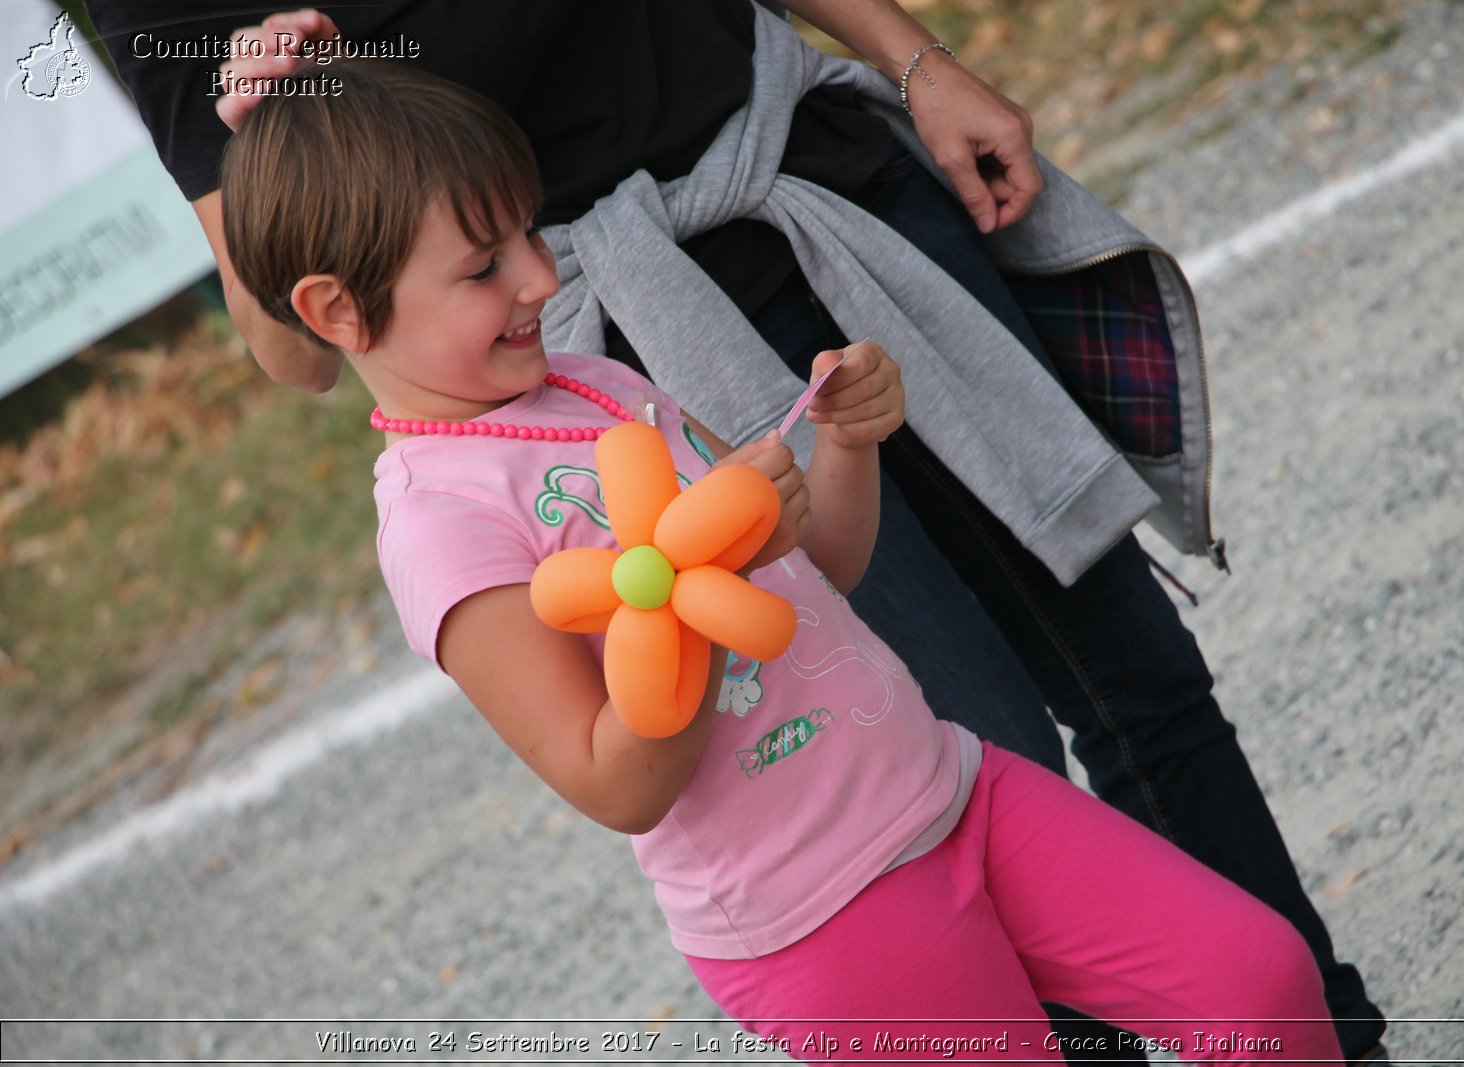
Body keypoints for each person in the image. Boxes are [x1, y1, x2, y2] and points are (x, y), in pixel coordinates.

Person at [82, 3, 1386, 1061]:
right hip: (829, 911)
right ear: (345, 305)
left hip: (944, 786)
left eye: (525, 241)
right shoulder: (443, 519)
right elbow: (616, 777)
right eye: (489, 267)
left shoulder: (601, 391)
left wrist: (844, 458)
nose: (539, 279)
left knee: (1250, 956)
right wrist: (671, 600)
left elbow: (817, 572)